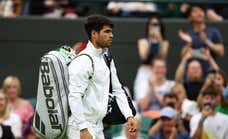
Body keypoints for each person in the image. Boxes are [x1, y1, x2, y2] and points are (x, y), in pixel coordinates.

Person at [67, 15, 137, 139]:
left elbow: (117, 89)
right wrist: (83, 129)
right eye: (107, 31)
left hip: (98, 126)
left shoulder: (106, 57)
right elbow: (74, 96)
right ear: (94, 34)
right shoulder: (83, 61)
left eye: (111, 31)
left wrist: (128, 115)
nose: (111, 35)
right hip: (79, 127)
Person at [134, 16, 169, 102]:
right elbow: (144, 57)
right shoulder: (143, 41)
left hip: (158, 72)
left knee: (158, 98)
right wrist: (150, 40)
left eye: (156, 24)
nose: (154, 27)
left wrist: (159, 40)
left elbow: (163, 57)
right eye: (152, 24)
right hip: (145, 71)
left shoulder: (164, 42)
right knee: (141, 96)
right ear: (148, 26)